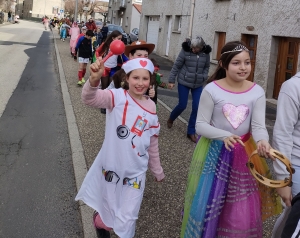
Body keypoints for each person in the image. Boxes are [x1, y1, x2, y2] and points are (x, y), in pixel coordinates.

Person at [180, 41, 282, 237]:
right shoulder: (212, 90)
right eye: (236, 63)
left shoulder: (256, 91)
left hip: (244, 153)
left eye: (247, 62)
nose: (243, 67)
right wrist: (225, 135)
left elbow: (259, 126)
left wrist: (262, 141)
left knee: (241, 204)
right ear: (223, 64)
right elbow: (200, 125)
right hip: (214, 151)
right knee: (210, 199)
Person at [75, 57, 164, 238]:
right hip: (112, 169)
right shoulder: (116, 97)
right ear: (126, 78)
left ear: (150, 81)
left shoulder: (152, 108)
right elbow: (89, 99)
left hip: (136, 172)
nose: (140, 83)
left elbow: (152, 142)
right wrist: (93, 80)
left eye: (145, 79)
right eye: (135, 78)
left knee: (128, 218)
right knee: (108, 218)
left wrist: (157, 169)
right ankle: (100, 221)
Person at [271, 72, 300, 238]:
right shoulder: (293, 87)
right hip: (296, 164)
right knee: (294, 216)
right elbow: (282, 134)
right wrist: (283, 179)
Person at [167, 36, 211, 143]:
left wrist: (204, 76)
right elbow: (176, 66)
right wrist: (171, 80)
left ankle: (191, 132)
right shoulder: (185, 51)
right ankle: (171, 118)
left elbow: (206, 67)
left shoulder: (206, 54)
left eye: (195, 48)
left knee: (196, 107)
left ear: (201, 47)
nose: (193, 50)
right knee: (182, 105)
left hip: (198, 84)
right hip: (184, 82)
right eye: (192, 47)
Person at [95, 30, 126, 114]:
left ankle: (109, 104)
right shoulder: (105, 45)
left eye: (121, 39)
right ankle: (103, 105)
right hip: (104, 68)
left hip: (114, 68)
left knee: (111, 87)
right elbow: (97, 51)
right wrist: (98, 58)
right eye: (118, 38)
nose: (120, 41)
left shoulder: (120, 46)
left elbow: (124, 57)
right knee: (104, 87)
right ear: (113, 38)